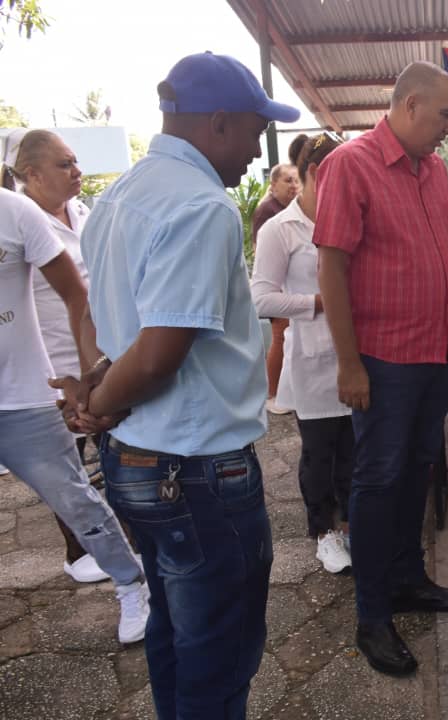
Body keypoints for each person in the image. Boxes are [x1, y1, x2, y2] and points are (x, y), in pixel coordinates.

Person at [59, 52, 300, 719]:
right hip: (195, 471)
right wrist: (98, 406)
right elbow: (158, 354)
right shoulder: (201, 205)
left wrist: (97, 392)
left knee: (174, 628)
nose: (256, 151)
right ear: (218, 122)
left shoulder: (121, 195)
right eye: (254, 131)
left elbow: (101, 318)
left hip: (140, 461)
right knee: (219, 654)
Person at [315, 60, 448, 677]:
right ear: (410, 106)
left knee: (416, 471)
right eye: (445, 115)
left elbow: (441, 258)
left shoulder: (432, 170)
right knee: (378, 481)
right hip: (382, 361)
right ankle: (372, 615)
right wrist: (349, 363)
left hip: (431, 353)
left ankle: (408, 580)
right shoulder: (350, 165)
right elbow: (332, 269)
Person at [0, 186, 149, 644]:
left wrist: (88, 375)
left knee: (75, 499)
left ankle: (131, 585)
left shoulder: (13, 211)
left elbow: (76, 296)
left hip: (22, 395)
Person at [6, 127, 116, 584]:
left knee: (109, 449)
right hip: (54, 363)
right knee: (65, 466)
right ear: (32, 175)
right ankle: (77, 552)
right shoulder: (18, 221)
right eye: (64, 164)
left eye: (75, 161)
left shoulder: (84, 212)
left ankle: (117, 536)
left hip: (101, 354)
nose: (77, 171)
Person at [251, 132, 353, 575]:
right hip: (312, 356)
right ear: (314, 172)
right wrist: (320, 302)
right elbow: (261, 298)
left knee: (354, 449)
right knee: (319, 452)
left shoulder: (350, 219)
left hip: (356, 351)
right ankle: (324, 532)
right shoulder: (280, 229)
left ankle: (351, 524)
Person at [252, 162, 301, 416]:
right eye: (288, 181)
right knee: (280, 336)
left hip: (286, 286)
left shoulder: (284, 208)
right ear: (273, 185)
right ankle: (272, 394)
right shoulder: (268, 212)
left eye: (296, 180)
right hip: (276, 287)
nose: (294, 186)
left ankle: (282, 392)